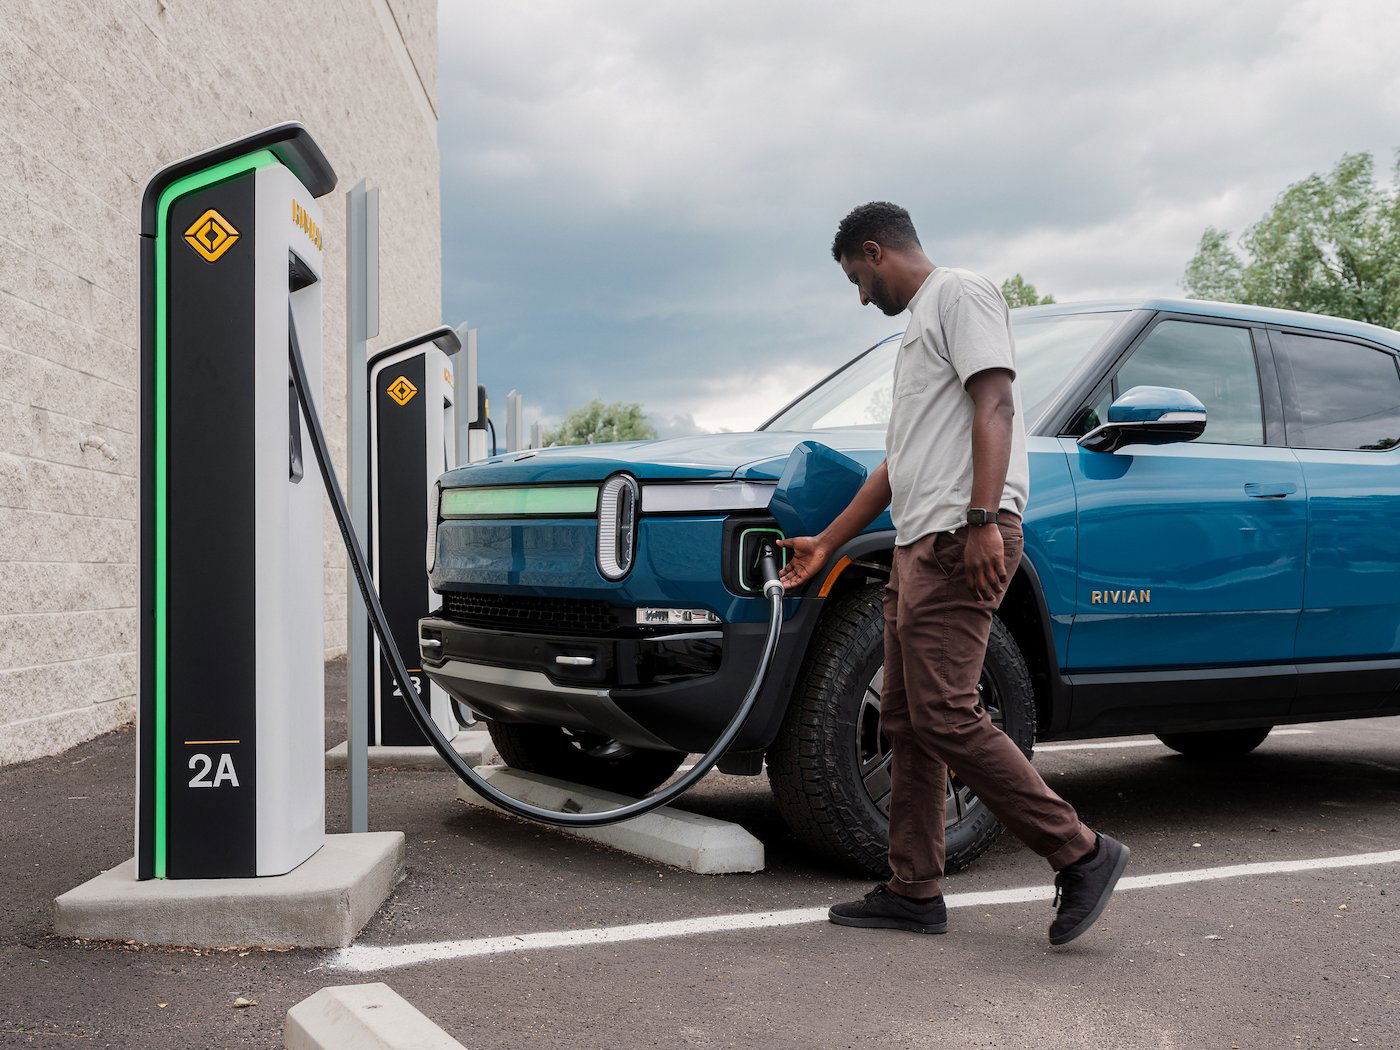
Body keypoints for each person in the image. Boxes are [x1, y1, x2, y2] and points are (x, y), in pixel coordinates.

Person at [777, 202, 1128, 947]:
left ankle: (1082, 852)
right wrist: (829, 545)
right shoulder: (917, 339)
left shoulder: (961, 293)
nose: (861, 297)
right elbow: (895, 469)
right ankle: (913, 889)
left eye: (856, 278)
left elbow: (996, 401)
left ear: (876, 251)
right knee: (908, 722)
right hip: (919, 544)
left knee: (945, 713)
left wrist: (982, 517)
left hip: (957, 538)